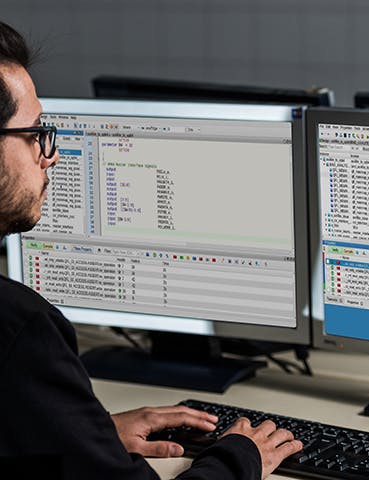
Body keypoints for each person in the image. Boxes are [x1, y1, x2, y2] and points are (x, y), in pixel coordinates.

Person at [0, 21, 303, 480]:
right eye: (35, 133)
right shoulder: (20, 330)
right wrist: (239, 457)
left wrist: (84, 435)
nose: (51, 154)